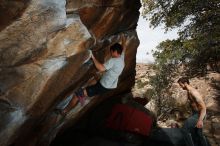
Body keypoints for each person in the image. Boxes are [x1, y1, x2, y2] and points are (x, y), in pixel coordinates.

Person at [57, 35, 126, 116]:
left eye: (111, 52)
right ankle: (86, 93)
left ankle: (64, 111)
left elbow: (101, 68)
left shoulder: (114, 60)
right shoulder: (121, 57)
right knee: (95, 78)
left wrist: (92, 56)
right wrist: (123, 39)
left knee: (77, 95)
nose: (110, 54)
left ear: (114, 51)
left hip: (102, 87)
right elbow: (124, 47)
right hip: (110, 85)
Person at [177, 77, 208, 146]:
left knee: (184, 130)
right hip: (195, 114)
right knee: (199, 134)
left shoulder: (193, 92)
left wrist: (200, 120)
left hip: (199, 115)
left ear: (185, 83)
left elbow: (203, 108)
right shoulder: (188, 92)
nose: (180, 87)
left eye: (180, 85)